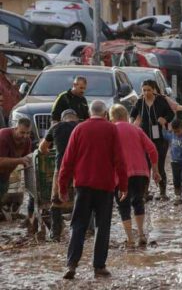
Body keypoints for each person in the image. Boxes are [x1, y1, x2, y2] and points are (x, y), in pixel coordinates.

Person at [58, 100, 128, 280]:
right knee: (102, 226)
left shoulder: (79, 129)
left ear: (90, 113)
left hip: (82, 186)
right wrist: (123, 186)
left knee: (78, 225)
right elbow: (120, 159)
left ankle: (72, 265)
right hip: (105, 186)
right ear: (105, 114)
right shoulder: (111, 129)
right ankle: (99, 266)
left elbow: (67, 161)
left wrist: (62, 186)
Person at [109, 104, 158, 247]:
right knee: (138, 201)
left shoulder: (111, 131)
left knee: (123, 206)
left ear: (112, 118)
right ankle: (142, 234)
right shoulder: (137, 130)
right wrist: (155, 170)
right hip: (141, 173)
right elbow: (152, 149)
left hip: (120, 174)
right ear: (125, 116)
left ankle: (130, 239)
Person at [39, 109, 79, 241]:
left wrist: (50, 149)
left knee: (56, 200)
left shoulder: (55, 127)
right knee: (81, 198)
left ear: (62, 119)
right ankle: (84, 231)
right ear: (76, 118)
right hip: (80, 168)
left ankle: (55, 234)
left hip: (61, 167)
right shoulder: (81, 127)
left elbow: (42, 148)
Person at [130, 79, 175, 200]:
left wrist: (165, 120)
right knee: (145, 166)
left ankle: (162, 192)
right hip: (144, 138)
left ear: (154, 89)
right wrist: (132, 125)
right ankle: (145, 192)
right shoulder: (139, 102)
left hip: (160, 138)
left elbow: (171, 114)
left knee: (160, 165)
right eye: (144, 90)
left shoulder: (161, 100)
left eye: (149, 90)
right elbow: (132, 114)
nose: (146, 93)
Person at [0, 118, 32, 202]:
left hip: (4, 176)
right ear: (15, 129)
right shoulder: (3, 136)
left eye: (28, 133)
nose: (25, 136)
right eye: (22, 132)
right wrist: (19, 160)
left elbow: (27, 161)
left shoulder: (27, 141)